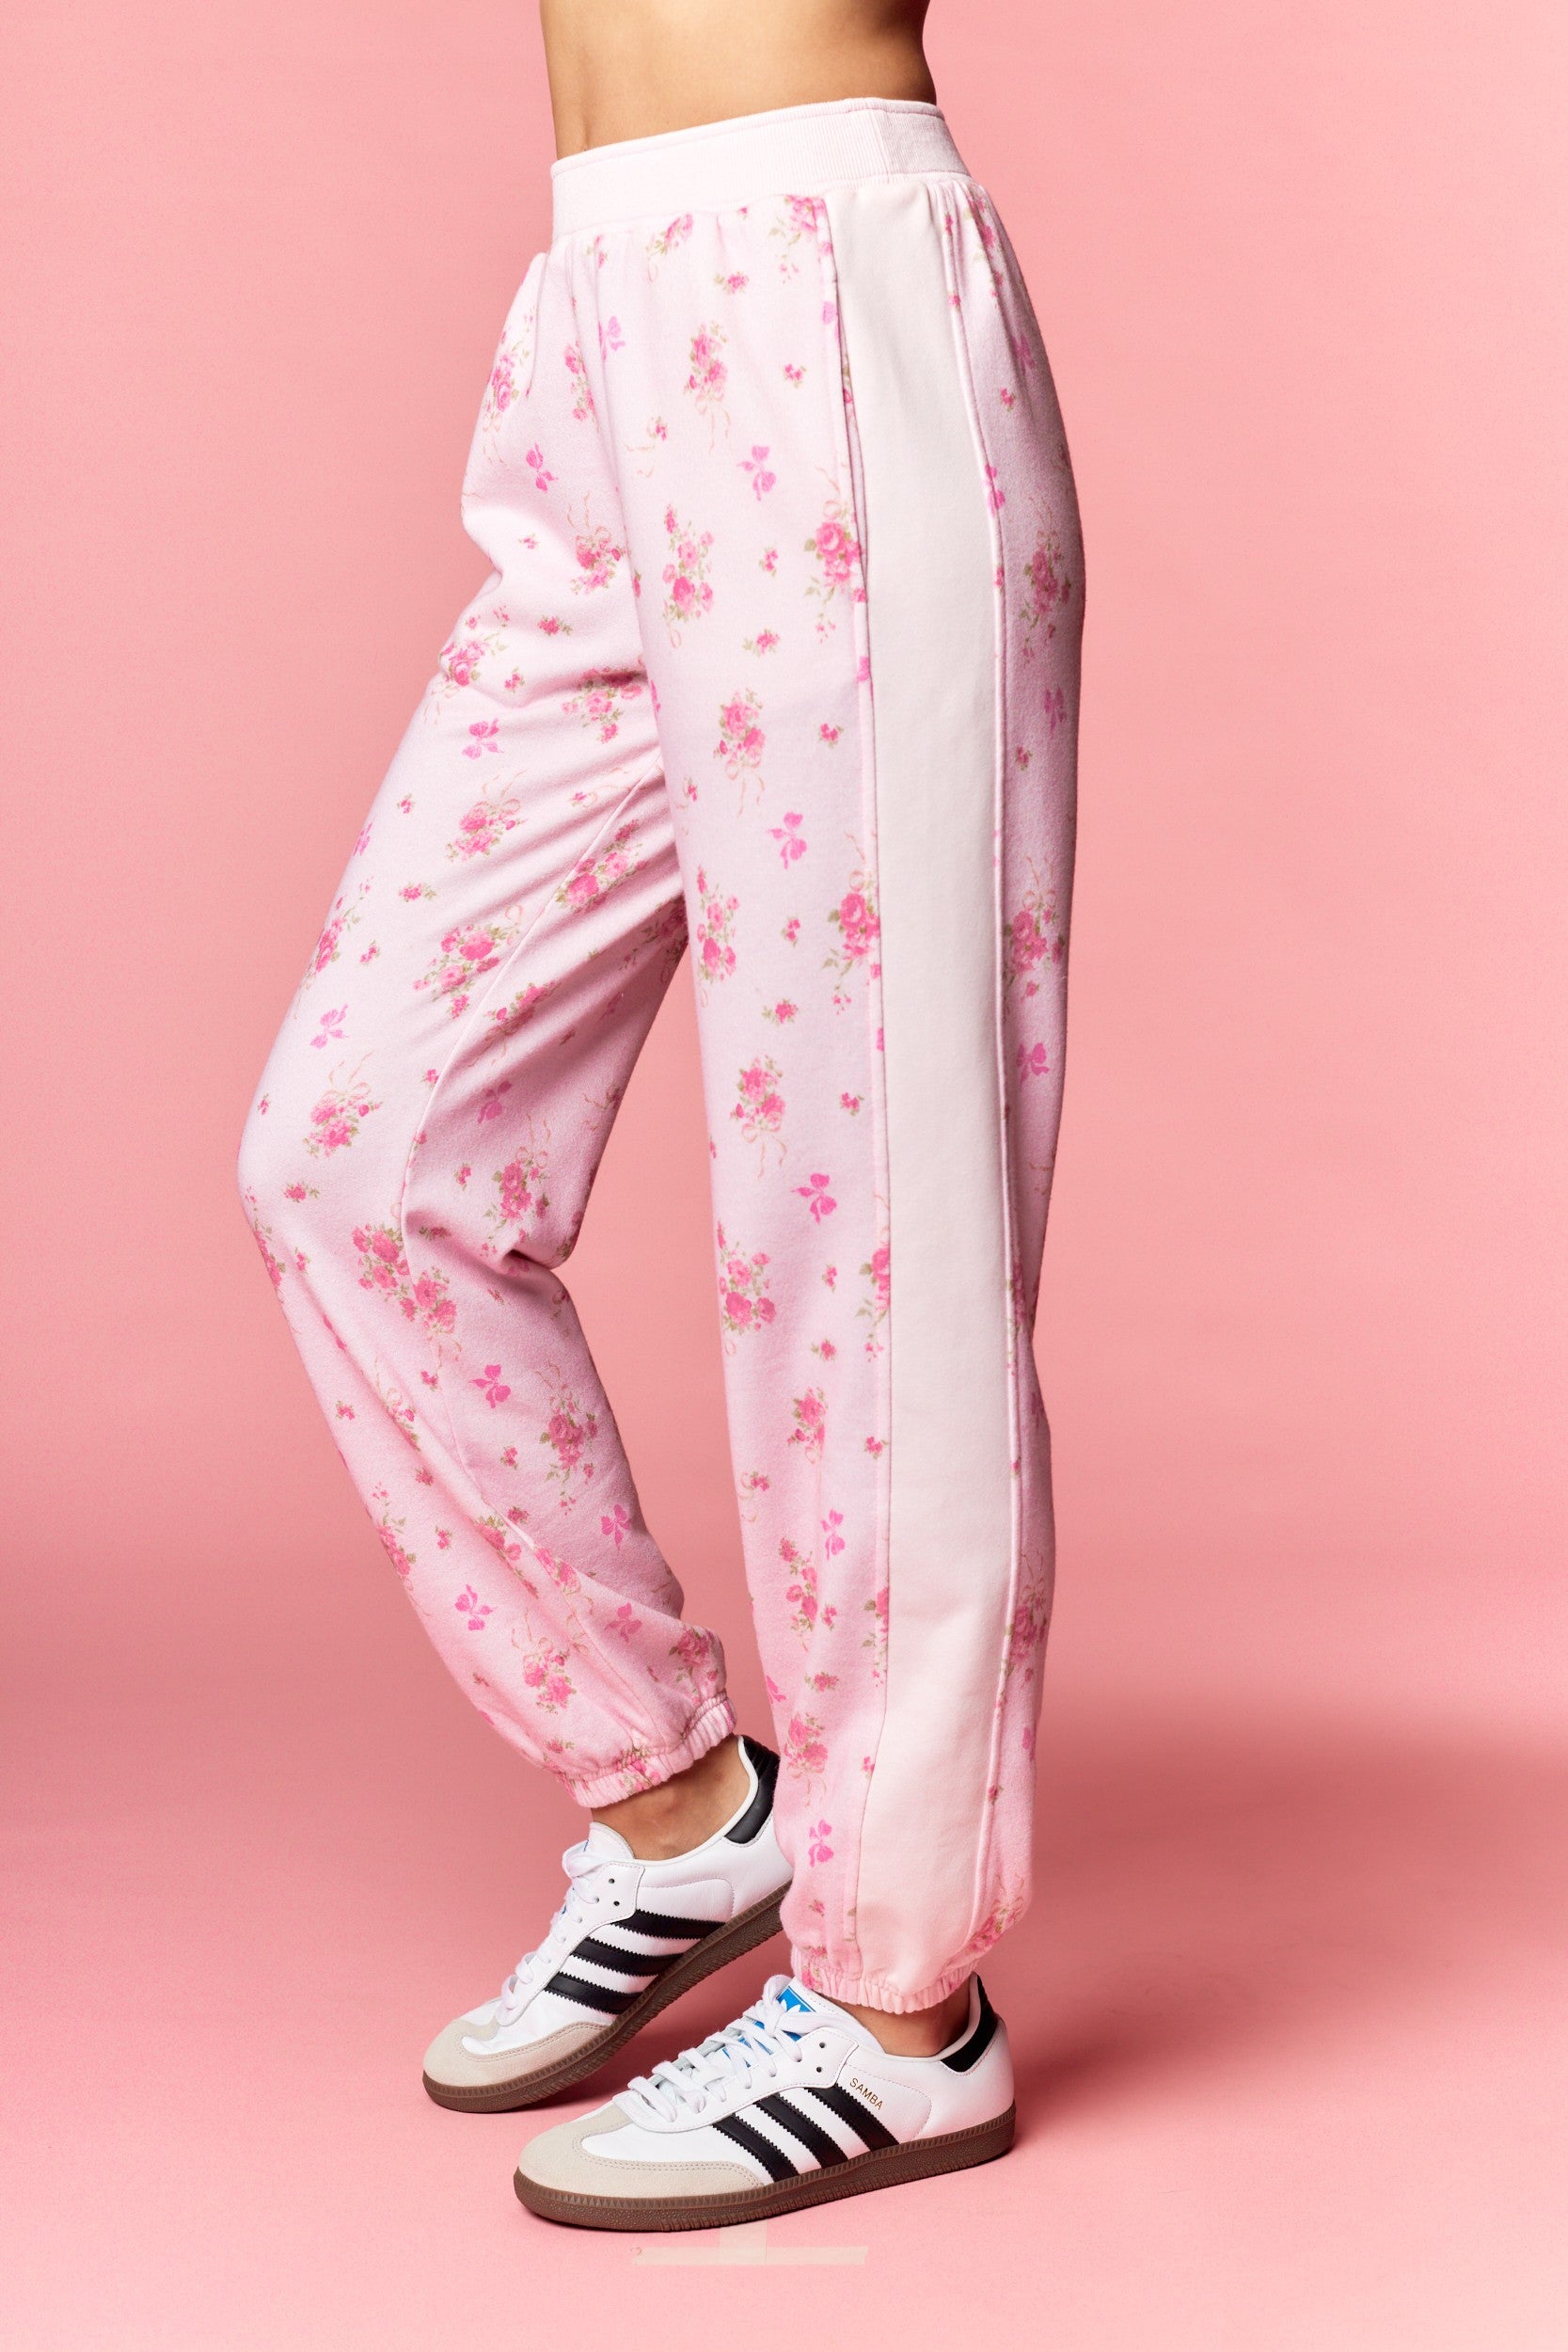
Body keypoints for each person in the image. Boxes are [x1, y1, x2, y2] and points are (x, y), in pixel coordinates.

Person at [237, 0, 1083, 2231]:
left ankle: (899, 2006)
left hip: (823, 296)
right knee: (356, 1150)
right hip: (600, 322)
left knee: (871, 1223)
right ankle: (689, 1803)